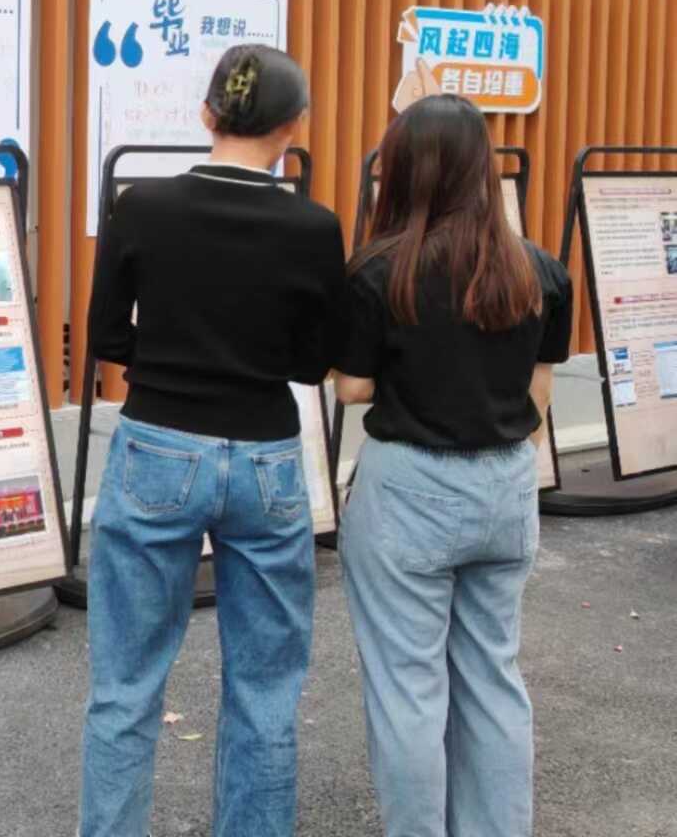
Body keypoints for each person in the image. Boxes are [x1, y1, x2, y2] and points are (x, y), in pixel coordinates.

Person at [79, 45, 346, 837]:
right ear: (296, 126)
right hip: (265, 455)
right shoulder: (313, 227)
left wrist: (166, 359)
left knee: (124, 686)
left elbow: (106, 337)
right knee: (264, 691)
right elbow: (311, 361)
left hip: (156, 444)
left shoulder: (141, 206)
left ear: (205, 114)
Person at [333, 94, 572, 837]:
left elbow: (353, 389)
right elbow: (539, 391)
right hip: (506, 482)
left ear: (402, 171)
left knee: (407, 688)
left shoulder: (378, 269)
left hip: (409, 486)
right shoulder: (536, 269)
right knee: (492, 678)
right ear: (482, 170)